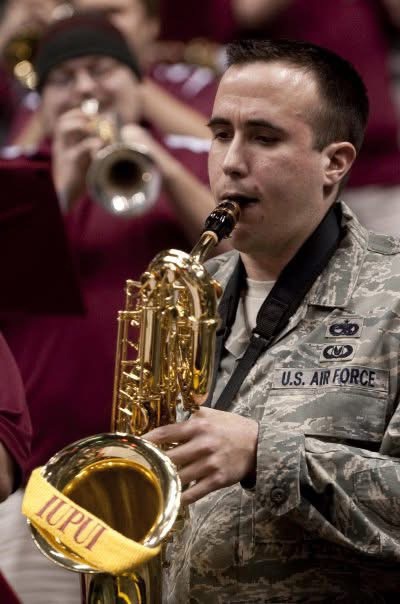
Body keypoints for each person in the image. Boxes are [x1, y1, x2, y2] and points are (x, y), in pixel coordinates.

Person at [144, 39, 400, 602]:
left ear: (334, 163)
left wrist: (265, 454)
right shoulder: (185, 296)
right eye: (220, 133)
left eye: (264, 137)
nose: (231, 161)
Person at [0, 12, 215, 603]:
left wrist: (162, 164)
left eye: (101, 70)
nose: (87, 88)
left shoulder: (194, 158)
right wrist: (60, 187)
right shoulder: (17, 178)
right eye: (65, 78)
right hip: (46, 480)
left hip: (179, 477)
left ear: (137, 79)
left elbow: (241, 254)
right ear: (42, 100)